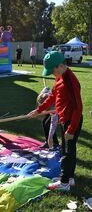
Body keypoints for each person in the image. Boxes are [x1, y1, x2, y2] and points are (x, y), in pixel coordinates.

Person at [28, 51, 83, 191]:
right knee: (70, 151)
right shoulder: (60, 77)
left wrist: (71, 130)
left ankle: (64, 183)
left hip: (72, 121)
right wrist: (39, 110)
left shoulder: (70, 81)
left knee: (66, 152)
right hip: (66, 119)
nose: (52, 74)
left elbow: (78, 107)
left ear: (60, 66)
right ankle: (69, 178)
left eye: (52, 70)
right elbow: (53, 96)